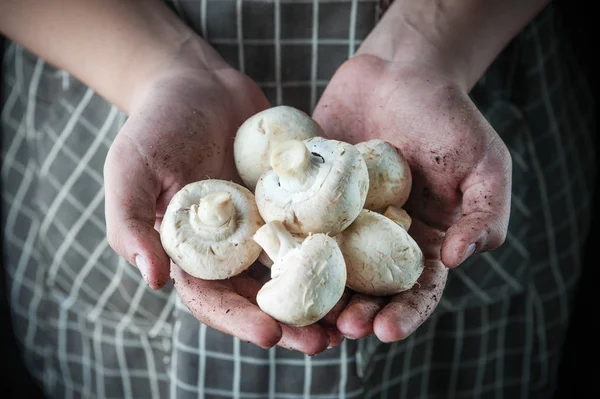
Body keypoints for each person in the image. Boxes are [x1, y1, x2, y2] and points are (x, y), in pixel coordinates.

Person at [0, 0, 595, 398]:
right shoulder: (258, 194)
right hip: (110, 70)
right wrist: (159, 69)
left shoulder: (339, 181)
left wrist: (427, 44)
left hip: (473, 57)